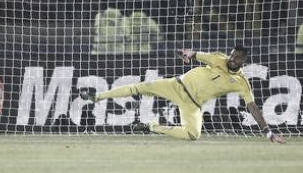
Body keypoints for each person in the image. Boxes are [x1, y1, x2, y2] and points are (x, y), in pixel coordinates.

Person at [84, 45, 285, 143]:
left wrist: (268, 132)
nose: (232, 59)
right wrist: (186, 54)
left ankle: (152, 127)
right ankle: (97, 97)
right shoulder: (218, 58)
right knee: (139, 87)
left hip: (193, 104)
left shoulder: (242, 83)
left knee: (193, 135)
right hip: (177, 85)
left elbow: (252, 107)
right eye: (232, 55)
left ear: (243, 61)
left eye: (237, 58)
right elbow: (194, 54)